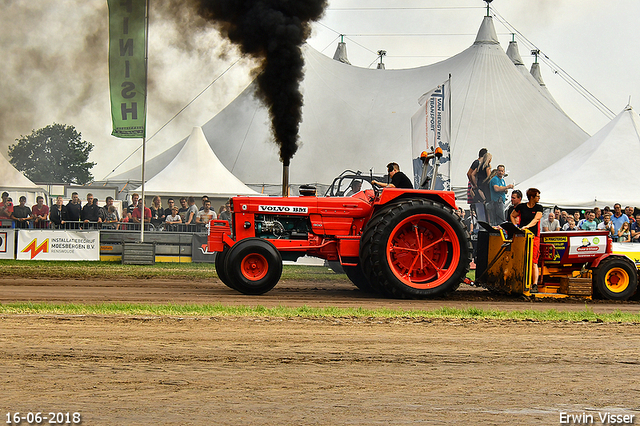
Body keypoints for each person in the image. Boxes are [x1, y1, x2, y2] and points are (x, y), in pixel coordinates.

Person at [510, 188, 543, 291]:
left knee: (533, 261)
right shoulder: (522, 207)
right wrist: (516, 225)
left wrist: (527, 226)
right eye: (537, 196)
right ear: (532, 197)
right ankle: (519, 280)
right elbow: (512, 215)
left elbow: (536, 219)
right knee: (520, 257)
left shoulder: (539, 207)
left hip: (534, 237)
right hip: (522, 237)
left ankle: (534, 284)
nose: (539, 198)